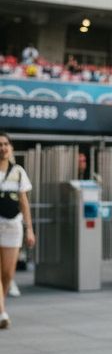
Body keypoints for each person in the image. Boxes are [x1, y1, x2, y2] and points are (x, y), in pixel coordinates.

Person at [0, 133, 36, 330]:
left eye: (6, 144)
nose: (3, 148)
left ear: (11, 148)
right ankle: (2, 312)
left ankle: (0, 305)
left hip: (13, 226)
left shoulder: (19, 171)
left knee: (7, 273)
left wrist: (29, 229)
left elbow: (24, 202)